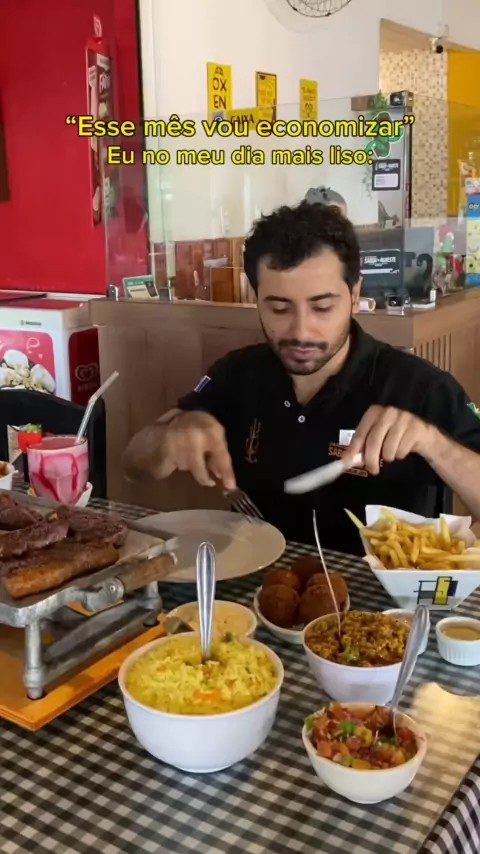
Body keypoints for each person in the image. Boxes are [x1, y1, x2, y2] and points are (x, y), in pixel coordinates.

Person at [123, 202, 480, 554]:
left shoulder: (420, 387)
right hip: (258, 583)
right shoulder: (238, 373)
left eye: (322, 307)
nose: (301, 331)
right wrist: (170, 438)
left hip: (378, 591)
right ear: (256, 299)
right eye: (279, 308)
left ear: (355, 295)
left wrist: (433, 443)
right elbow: (134, 466)